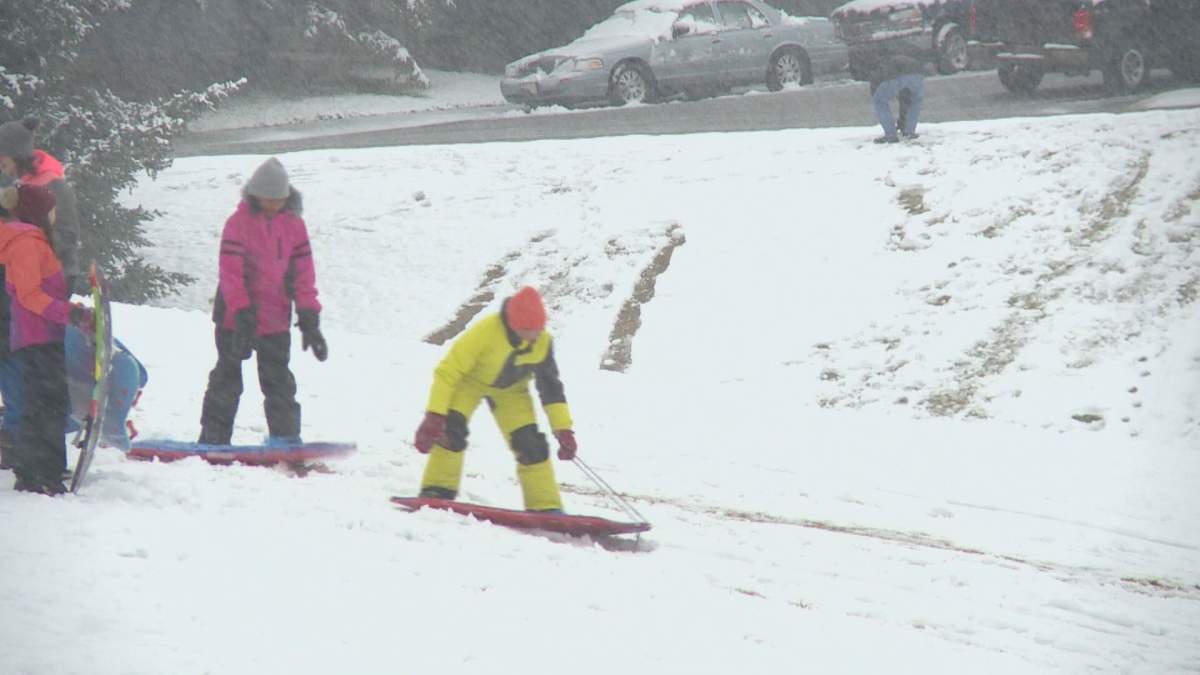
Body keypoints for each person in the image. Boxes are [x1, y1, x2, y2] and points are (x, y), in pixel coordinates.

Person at [412, 286, 578, 512]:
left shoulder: (543, 342)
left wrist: (563, 430)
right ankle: (437, 491)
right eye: (531, 330)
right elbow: (447, 372)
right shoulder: (484, 332)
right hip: (469, 383)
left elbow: (551, 389)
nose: (536, 335)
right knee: (450, 430)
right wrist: (434, 415)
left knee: (531, 444)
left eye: (540, 329)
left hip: (512, 392)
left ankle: (546, 507)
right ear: (515, 325)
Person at [198, 158, 327, 446]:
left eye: (278, 200)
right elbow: (230, 273)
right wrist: (241, 311)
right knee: (227, 379)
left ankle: (286, 438)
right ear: (255, 195)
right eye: (268, 200)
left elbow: (303, 272)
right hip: (235, 317)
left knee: (278, 381)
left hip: (276, 318)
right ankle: (214, 438)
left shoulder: (294, 225)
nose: (273, 205)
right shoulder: (237, 224)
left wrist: (309, 315)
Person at [0, 200, 91, 495]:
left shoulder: (32, 240)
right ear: (38, 212)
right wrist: (69, 313)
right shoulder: (26, 243)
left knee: (45, 405)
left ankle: (42, 471)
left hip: (41, 335)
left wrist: (70, 310)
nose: (55, 214)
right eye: (51, 208)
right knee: (45, 406)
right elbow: (29, 296)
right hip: (36, 337)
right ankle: (38, 474)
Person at [0, 182, 57, 471]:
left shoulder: (12, 237)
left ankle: (14, 446)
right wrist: (63, 312)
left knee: (18, 393)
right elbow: (26, 293)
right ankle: (14, 449)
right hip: (12, 331)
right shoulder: (23, 242)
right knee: (19, 394)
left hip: (12, 328)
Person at [0, 117, 84, 294]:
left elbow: (69, 233)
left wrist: (31, 250)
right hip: (28, 273)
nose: (3, 170)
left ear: (18, 157)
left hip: (57, 274)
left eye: (4, 163)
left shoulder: (53, 185)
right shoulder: (19, 186)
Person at [868, 53, 926, 143]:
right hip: (918, 74)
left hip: (897, 74)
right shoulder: (902, 56)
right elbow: (905, 98)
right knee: (915, 101)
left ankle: (890, 134)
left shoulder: (880, 67)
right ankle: (909, 131)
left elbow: (877, 86)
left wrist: (875, 93)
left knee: (879, 101)